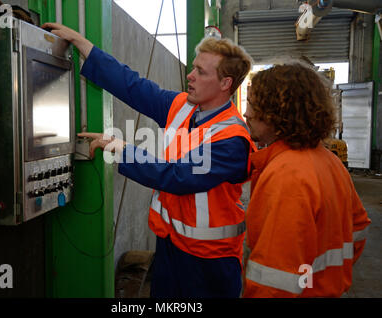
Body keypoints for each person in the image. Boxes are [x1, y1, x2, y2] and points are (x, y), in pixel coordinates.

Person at [42, 22, 256, 298]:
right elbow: (133, 86)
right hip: (170, 246)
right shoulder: (183, 107)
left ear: (226, 84)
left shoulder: (232, 139)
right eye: (193, 67)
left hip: (209, 261)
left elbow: (177, 176)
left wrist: (120, 148)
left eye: (200, 72)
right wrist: (84, 46)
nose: (190, 76)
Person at [242, 62, 371, 297]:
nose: (246, 113)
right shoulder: (330, 162)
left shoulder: (286, 175)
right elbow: (358, 229)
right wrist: (322, 279)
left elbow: (273, 281)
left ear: (277, 112)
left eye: (251, 104)